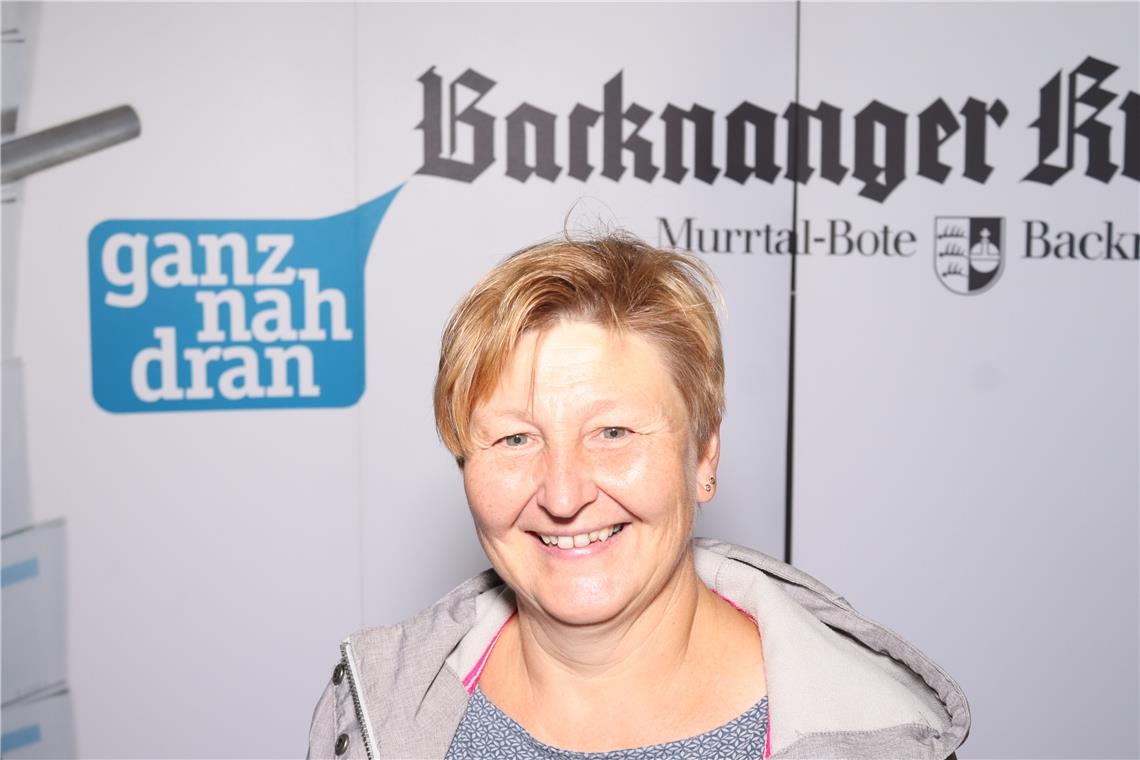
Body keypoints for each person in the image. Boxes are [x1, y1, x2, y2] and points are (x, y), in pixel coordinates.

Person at [307, 232, 970, 759]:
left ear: (703, 455)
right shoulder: (372, 716)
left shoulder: (874, 739)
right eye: (515, 439)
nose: (563, 494)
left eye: (614, 433)